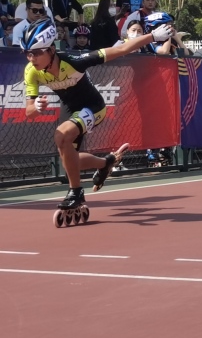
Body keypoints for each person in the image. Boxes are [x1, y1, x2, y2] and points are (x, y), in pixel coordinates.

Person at [21, 16, 175, 213]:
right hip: (70, 109)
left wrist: (153, 36)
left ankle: (75, 192)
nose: (31, 59)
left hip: (93, 107)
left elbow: (121, 49)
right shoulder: (31, 71)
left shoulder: (74, 62)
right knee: (70, 160)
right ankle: (106, 163)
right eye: (27, 54)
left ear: (51, 50)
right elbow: (29, 112)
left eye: (35, 53)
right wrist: (38, 107)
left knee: (61, 135)